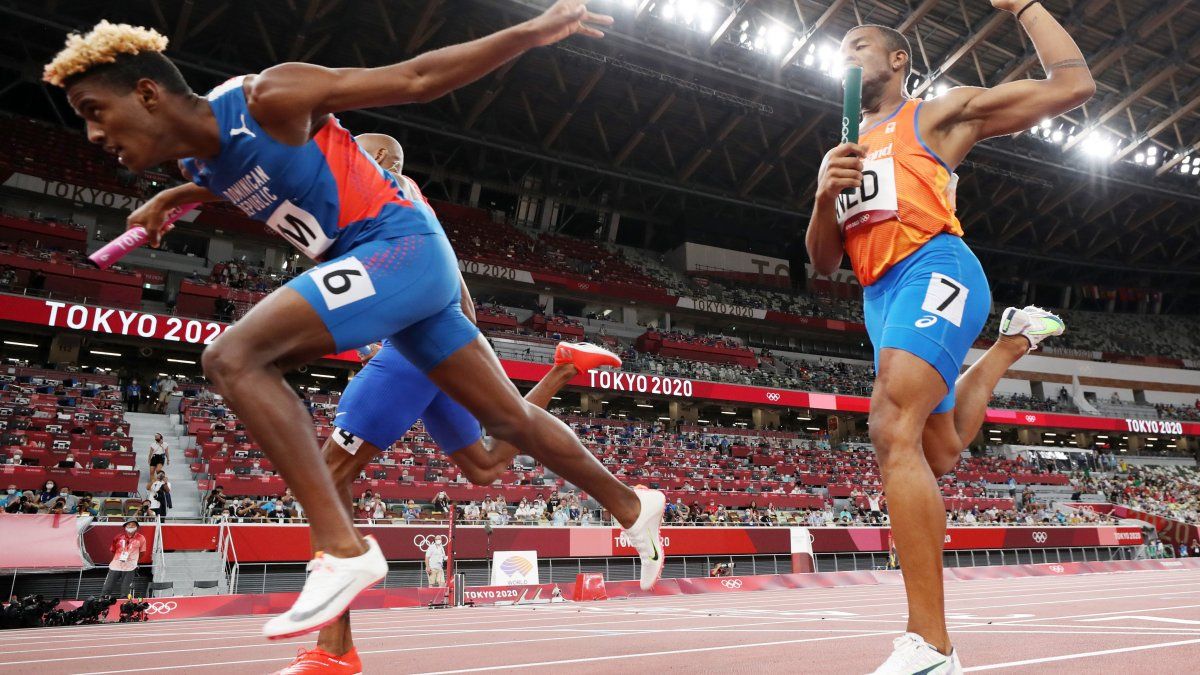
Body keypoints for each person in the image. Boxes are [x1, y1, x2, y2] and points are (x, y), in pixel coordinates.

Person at [45, 2, 666, 646]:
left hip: (398, 248)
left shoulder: (270, 96)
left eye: (94, 111)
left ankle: (341, 550)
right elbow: (239, 172)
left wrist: (536, 32)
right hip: (396, 283)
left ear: (147, 93)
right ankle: (631, 502)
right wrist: (177, 196)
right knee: (504, 426)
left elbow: (418, 79)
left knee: (234, 357)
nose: (93, 135)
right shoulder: (199, 165)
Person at [806, 5, 1094, 672]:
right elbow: (823, 262)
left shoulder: (934, 116)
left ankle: (931, 646)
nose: (845, 57)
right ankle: (1010, 345)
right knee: (935, 450)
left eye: (858, 45)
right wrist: (824, 195)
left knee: (890, 425)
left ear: (898, 60)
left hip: (936, 267)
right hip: (877, 297)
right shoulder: (839, 151)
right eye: (839, 50)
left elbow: (1073, 86)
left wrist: (1024, 5)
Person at [101, 520, 147, 597]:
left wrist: (134, 560)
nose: (131, 526)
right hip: (115, 566)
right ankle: (102, 603)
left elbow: (142, 552)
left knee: (125, 591)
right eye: (129, 525)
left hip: (130, 567)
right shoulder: (118, 537)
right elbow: (113, 550)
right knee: (107, 588)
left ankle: (125, 606)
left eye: (133, 525)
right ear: (125, 527)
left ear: (136, 527)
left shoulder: (141, 538)